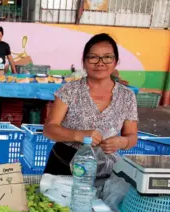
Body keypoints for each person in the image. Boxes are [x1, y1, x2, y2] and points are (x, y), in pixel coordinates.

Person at [43, 33, 138, 177]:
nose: (100, 63)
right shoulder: (69, 90)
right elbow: (49, 129)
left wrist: (122, 141)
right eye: (93, 57)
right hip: (64, 164)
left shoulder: (127, 96)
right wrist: (78, 135)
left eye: (107, 57)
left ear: (116, 61)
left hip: (105, 167)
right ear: (84, 61)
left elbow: (132, 136)